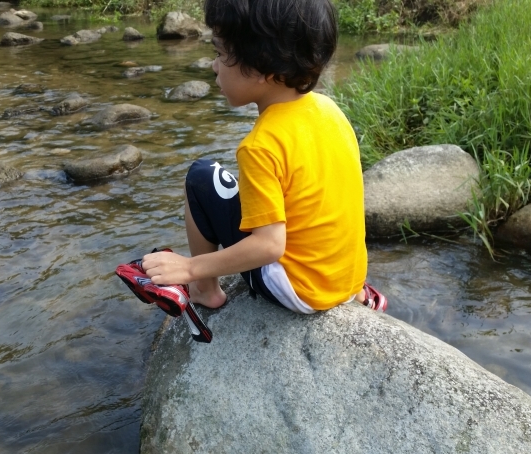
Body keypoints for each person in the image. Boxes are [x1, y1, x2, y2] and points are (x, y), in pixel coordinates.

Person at [140, 0, 387, 314]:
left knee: (201, 176)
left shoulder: (261, 145)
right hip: (346, 281)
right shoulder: (330, 111)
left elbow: (269, 246)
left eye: (219, 54)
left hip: (301, 292)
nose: (214, 66)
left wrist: (190, 267)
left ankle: (205, 289)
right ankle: (358, 293)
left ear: (261, 66)